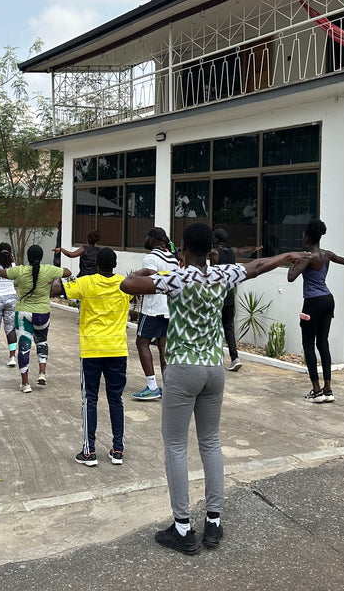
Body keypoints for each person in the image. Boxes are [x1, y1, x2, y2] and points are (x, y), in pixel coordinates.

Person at [121, 222, 306, 554]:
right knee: (210, 442)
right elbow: (259, 265)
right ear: (210, 250)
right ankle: (214, 523)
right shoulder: (224, 275)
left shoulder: (177, 278)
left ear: (183, 247)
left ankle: (182, 528)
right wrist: (289, 254)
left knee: (176, 446)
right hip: (213, 370)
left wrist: (162, 270)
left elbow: (128, 284)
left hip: (182, 370)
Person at [52, 248, 131, 466]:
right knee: (116, 399)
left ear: (96, 264)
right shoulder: (124, 284)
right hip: (117, 349)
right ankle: (118, 450)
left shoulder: (86, 282)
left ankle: (89, 452)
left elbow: (57, 289)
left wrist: (57, 272)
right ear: (114, 265)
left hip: (92, 350)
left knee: (90, 399)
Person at [286, 220, 344, 404]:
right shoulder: (327, 255)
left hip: (312, 302)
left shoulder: (308, 257)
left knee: (308, 343)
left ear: (307, 237)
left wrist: (293, 262)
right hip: (328, 300)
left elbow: (291, 277)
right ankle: (328, 389)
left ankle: (316, 391)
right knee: (322, 342)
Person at [0, 245, 70, 392]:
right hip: (43, 313)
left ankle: (25, 383)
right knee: (42, 342)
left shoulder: (20, 270)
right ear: (42, 255)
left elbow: (1, 272)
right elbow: (67, 272)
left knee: (24, 347)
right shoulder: (49, 269)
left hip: (23, 313)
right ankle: (42, 373)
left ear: (28, 257)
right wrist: (55, 278)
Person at [131, 227, 179, 401]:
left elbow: (150, 277)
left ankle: (152, 386)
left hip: (153, 308)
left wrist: (134, 283)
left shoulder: (150, 257)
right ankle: (168, 387)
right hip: (169, 308)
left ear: (151, 239)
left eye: (146, 237)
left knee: (142, 343)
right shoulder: (173, 259)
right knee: (163, 347)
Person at [211, 229, 243, 372]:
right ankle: (235, 358)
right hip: (229, 294)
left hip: (218, 295)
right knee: (228, 327)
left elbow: (212, 274)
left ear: (216, 239)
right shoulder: (232, 252)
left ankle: (215, 357)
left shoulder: (214, 253)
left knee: (214, 326)